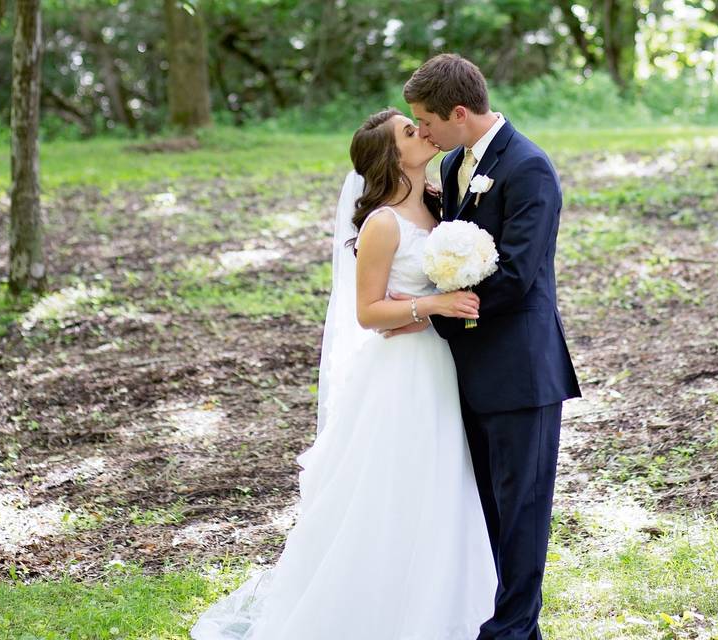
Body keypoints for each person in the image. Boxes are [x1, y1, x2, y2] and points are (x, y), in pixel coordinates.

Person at [189, 107, 497, 639]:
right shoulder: (382, 224)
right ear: (391, 157)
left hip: (445, 366)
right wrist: (431, 306)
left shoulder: (441, 203)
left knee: (449, 480)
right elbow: (368, 312)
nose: (423, 131)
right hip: (402, 375)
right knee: (397, 487)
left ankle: (446, 603)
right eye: (409, 131)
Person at [390, 53, 582, 640]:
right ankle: (516, 626)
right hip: (468, 369)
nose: (422, 132)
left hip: (522, 367)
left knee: (522, 508)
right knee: (491, 507)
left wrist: (447, 313)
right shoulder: (452, 165)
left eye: (426, 121)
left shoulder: (529, 169)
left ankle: (513, 632)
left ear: (459, 112)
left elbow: (520, 272)